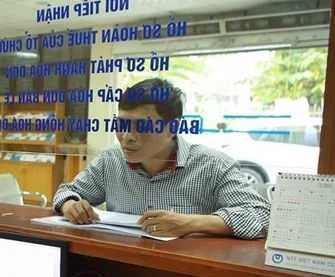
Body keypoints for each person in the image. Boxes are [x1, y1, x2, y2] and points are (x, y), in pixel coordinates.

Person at [52, 78, 271, 239]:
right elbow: (66, 192)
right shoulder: (112, 160)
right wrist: (71, 205)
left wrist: (192, 223)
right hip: (121, 267)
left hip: (188, 274)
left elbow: (262, 216)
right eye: (122, 125)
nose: (127, 137)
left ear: (172, 128)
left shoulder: (213, 165)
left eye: (142, 126)